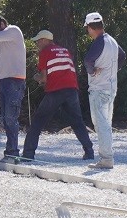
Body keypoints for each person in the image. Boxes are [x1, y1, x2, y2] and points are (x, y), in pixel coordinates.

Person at [19, 30, 94, 164]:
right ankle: (89, 151)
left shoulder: (45, 52)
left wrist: (36, 77)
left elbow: (44, 78)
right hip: (72, 90)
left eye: (38, 41)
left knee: (38, 121)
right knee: (77, 121)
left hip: (56, 91)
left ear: (44, 40)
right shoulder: (64, 51)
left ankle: (28, 154)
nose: (37, 44)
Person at [83, 12, 126, 169]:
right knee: (106, 123)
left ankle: (106, 158)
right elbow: (122, 56)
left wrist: (92, 71)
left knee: (101, 125)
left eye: (87, 28)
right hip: (111, 87)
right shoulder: (112, 41)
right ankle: (107, 157)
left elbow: (88, 60)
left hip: (99, 88)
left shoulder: (99, 41)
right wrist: (112, 71)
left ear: (91, 27)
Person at [0, 14, 26, 163]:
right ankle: (10, 153)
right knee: (6, 119)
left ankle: (13, 154)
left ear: (2, 23)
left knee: (11, 118)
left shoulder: (13, 30)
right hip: (4, 81)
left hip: (15, 81)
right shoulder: (0, 39)